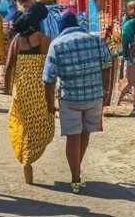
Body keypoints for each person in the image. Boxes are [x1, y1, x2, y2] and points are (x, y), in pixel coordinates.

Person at [43, 10, 114, 193]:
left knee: (72, 137)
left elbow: (48, 78)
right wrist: (106, 91)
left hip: (70, 98)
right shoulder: (95, 40)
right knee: (85, 134)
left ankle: (75, 177)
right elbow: (108, 64)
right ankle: (78, 170)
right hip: (94, 95)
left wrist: (50, 103)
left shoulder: (56, 44)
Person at [7, 0, 56, 184]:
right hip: (38, 87)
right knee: (42, 123)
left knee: (23, 123)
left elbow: (10, 65)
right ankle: (29, 158)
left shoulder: (16, 41)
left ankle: (26, 162)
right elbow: (49, 65)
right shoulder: (43, 40)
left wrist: (6, 86)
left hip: (21, 87)